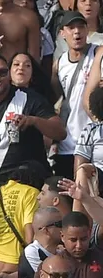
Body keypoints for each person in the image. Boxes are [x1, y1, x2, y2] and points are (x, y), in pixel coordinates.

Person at [0, 53, 64, 204]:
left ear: (9, 75)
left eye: (2, 72)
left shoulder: (30, 98)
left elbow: (60, 132)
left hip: (31, 186)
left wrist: (33, 121)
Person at [54, 10, 99, 176]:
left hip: (96, 140)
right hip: (69, 142)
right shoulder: (59, 64)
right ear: (62, 33)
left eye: (81, 27)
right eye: (71, 28)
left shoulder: (98, 54)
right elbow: (57, 97)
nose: (77, 31)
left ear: (87, 31)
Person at [20, 206, 64, 278]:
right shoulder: (32, 251)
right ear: (46, 230)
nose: (64, 228)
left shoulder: (59, 252)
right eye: (60, 224)